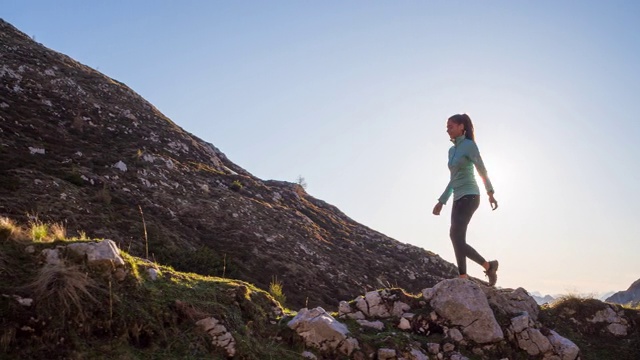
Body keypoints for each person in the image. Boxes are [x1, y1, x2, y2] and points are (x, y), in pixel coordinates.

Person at [432, 113, 500, 286]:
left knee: (455, 236)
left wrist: (490, 192)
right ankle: (482, 268)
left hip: (471, 195)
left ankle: (468, 274)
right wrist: (442, 201)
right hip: (457, 197)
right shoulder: (451, 151)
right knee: (456, 237)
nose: (447, 129)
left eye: (451, 126)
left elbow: (481, 169)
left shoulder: (469, 146)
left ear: (462, 126)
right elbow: (453, 179)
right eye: (447, 127)